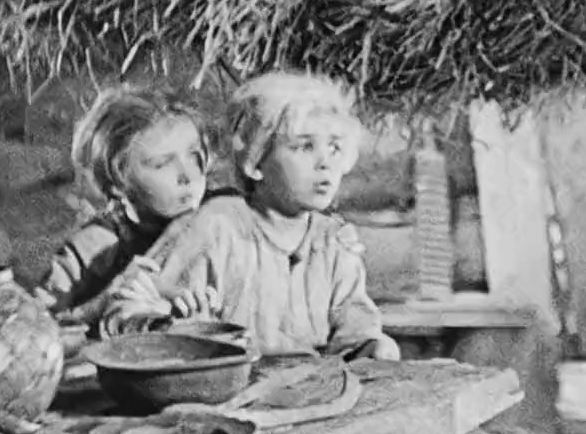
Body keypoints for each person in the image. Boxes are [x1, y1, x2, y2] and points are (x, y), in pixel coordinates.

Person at [105, 71, 400, 361]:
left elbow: (355, 329)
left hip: (309, 385)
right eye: (305, 146)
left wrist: (372, 346)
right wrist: (169, 323)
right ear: (256, 161)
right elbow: (128, 308)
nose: (325, 162)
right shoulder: (217, 225)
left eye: (334, 147)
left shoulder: (333, 242)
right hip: (222, 381)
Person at [34, 85, 211, 332]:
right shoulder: (93, 247)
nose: (188, 175)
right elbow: (37, 326)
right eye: (162, 164)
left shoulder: (218, 225)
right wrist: (105, 300)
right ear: (118, 183)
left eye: (194, 155)